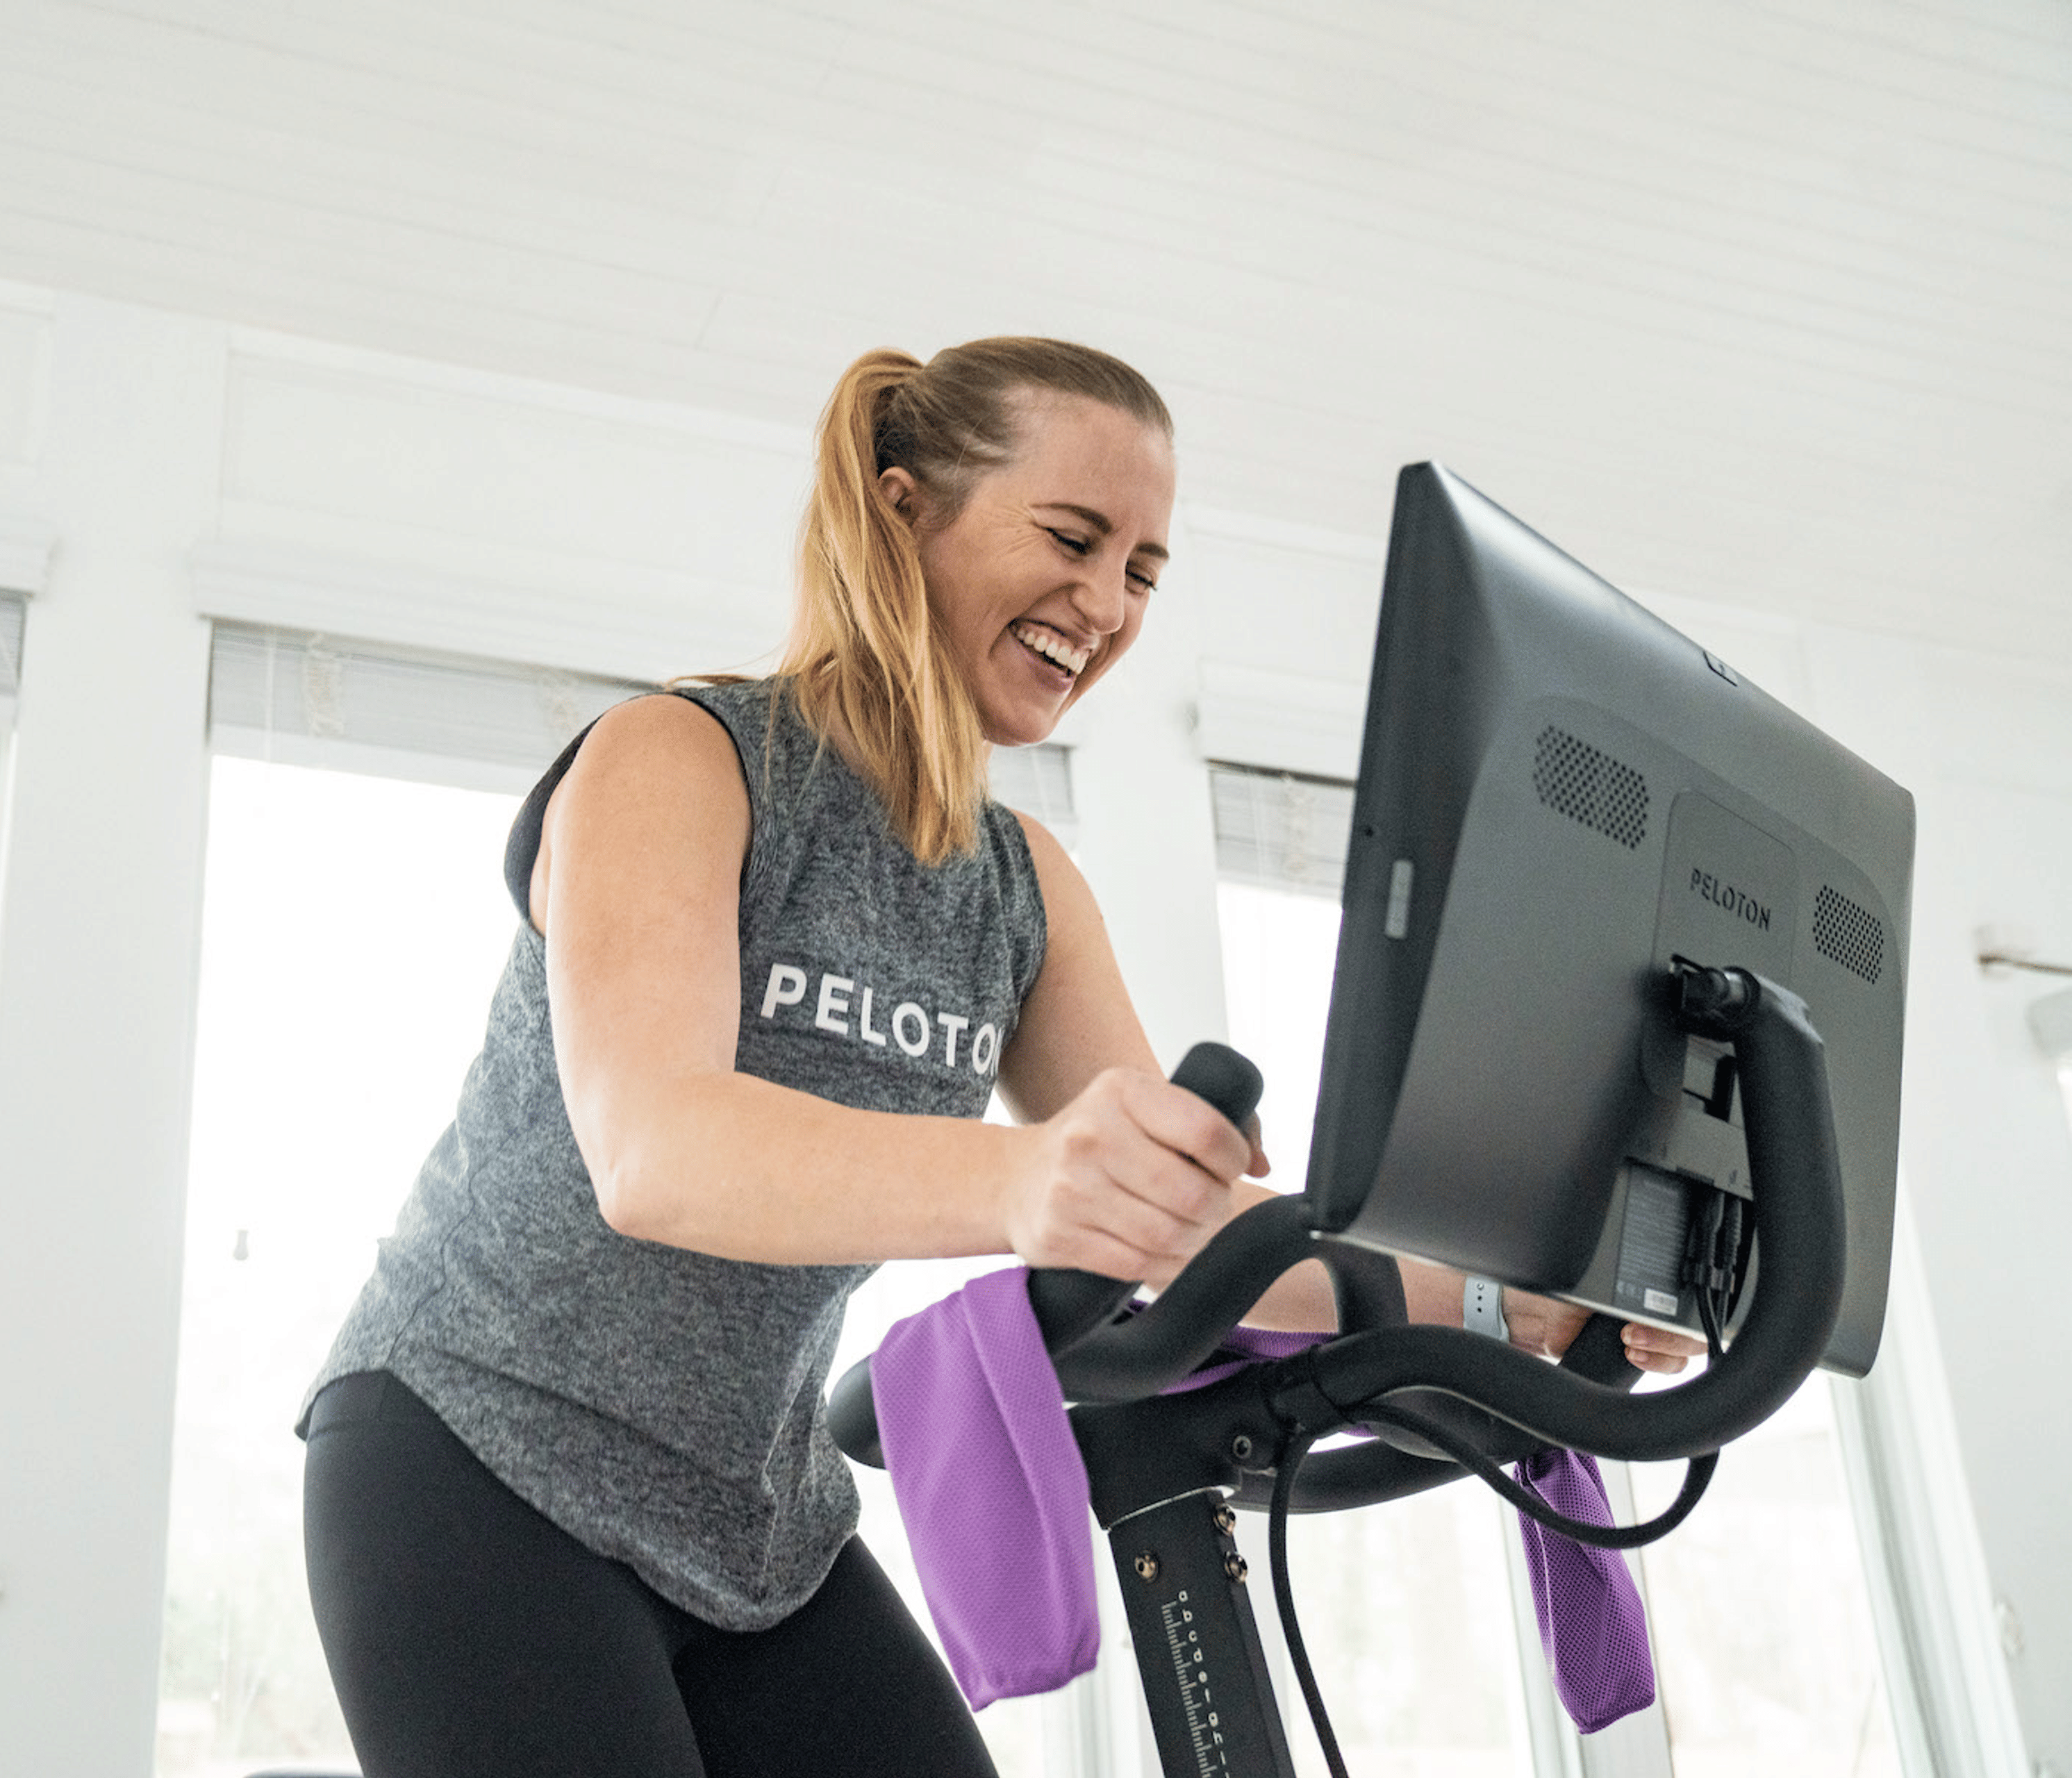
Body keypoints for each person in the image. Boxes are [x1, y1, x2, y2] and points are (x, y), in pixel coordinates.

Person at [299, 338, 1700, 1777]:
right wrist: (1033, 1178)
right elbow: (657, 1149)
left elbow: (1188, 1228)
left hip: (753, 1515)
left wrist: (1503, 1302)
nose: (1105, 605)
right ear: (905, 510)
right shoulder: (683, 756)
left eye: (1145, 572)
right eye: (1074, 538)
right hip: (474, 1452)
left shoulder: (1022, 884)